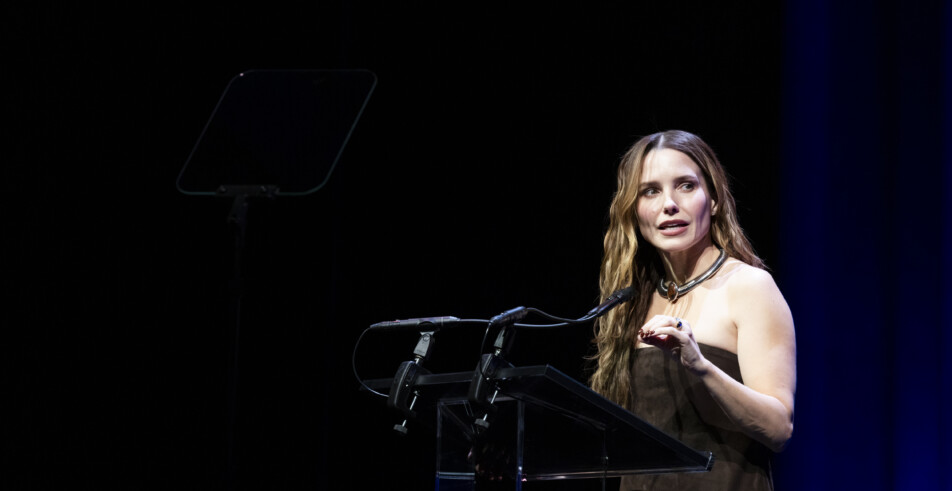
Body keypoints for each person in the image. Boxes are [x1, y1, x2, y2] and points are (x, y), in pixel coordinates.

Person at [590, 130, 796, 490]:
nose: (669, 204)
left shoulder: (749, 287)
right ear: (633, 210)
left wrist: (700, 365)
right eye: (650, 191)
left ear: (713, 200)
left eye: (686, 186)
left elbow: (779, 428)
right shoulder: (629, 301)